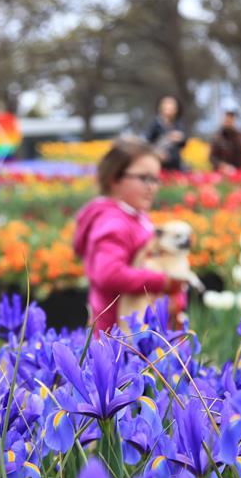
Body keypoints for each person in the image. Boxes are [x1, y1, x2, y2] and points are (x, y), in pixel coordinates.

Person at [73, 137, 185, 335]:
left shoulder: (133, 215)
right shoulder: (112, 222)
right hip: (117, 336)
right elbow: (109, 274)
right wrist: (163, 281)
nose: (153, 187)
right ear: (115, 178)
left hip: (138, 327)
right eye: (145, 178)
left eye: (156, 179)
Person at [145, 95, 187, 172]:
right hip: (158, 162)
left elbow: (183, 144)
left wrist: (181, 138)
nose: (169, 107)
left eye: (172, 105)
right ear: (160, 107)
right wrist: (157, 152)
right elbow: (148, 142)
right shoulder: (155, 124)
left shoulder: (178, 124)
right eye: (166, 105)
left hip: (175, 164)